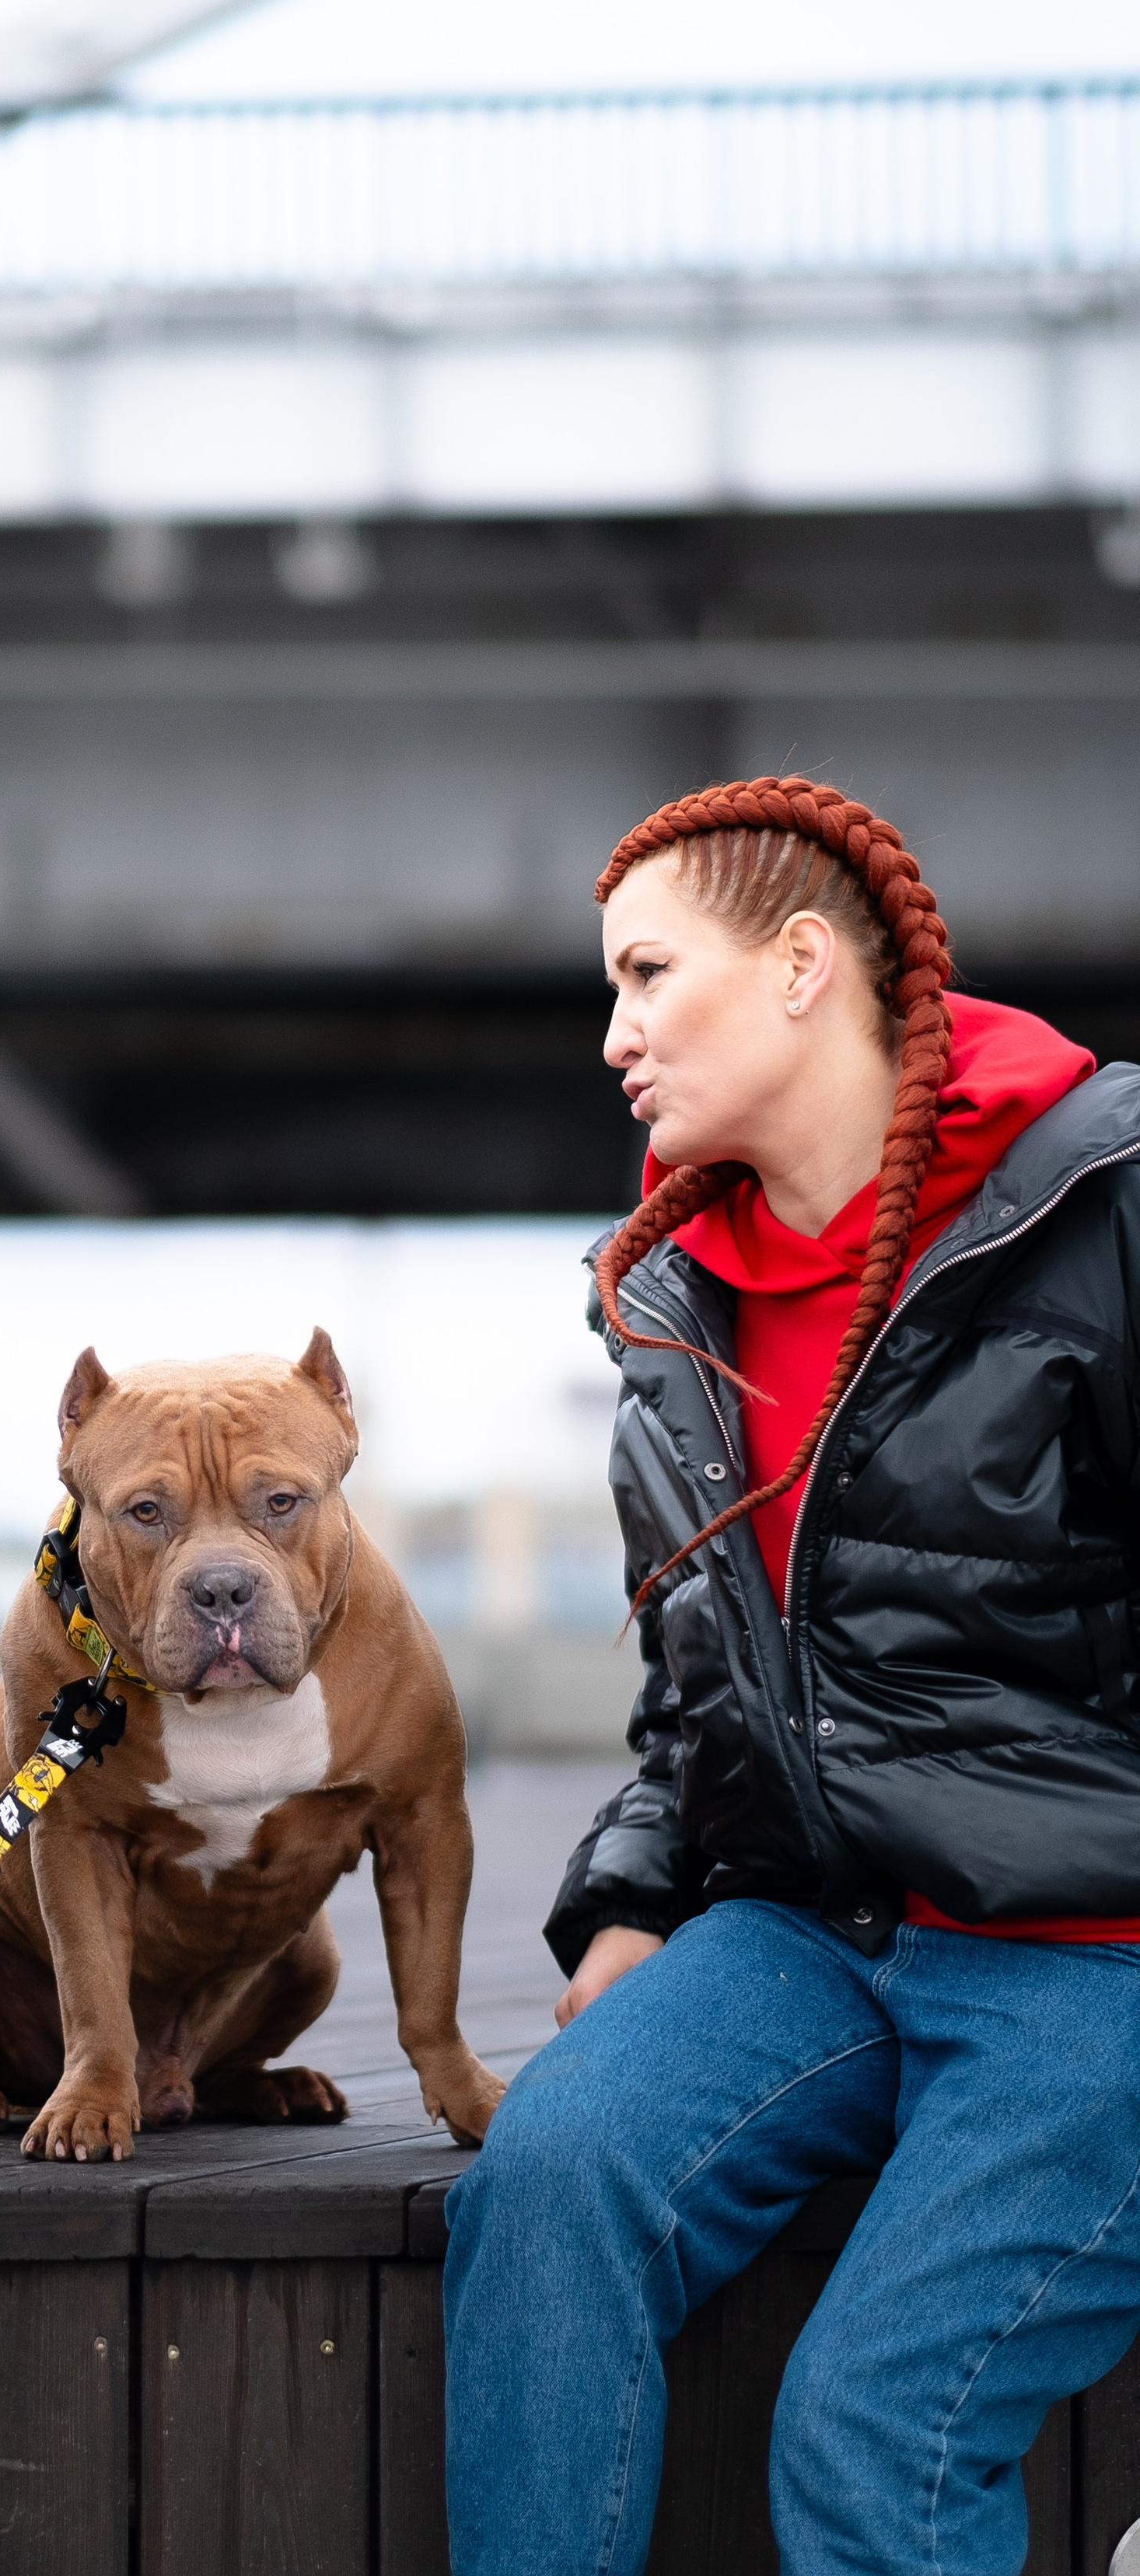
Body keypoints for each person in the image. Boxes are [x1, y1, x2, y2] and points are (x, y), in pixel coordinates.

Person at [442, 773, 1140, 2576]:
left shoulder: (1103, 1195)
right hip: (821, 1925)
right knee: (542, 2181)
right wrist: (625, 1900)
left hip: (1097, 1957)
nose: (611, 1037)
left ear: (803, 968)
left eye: (645, 976)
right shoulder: (678, 1296)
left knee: (868, 2430)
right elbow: (710, 1690)